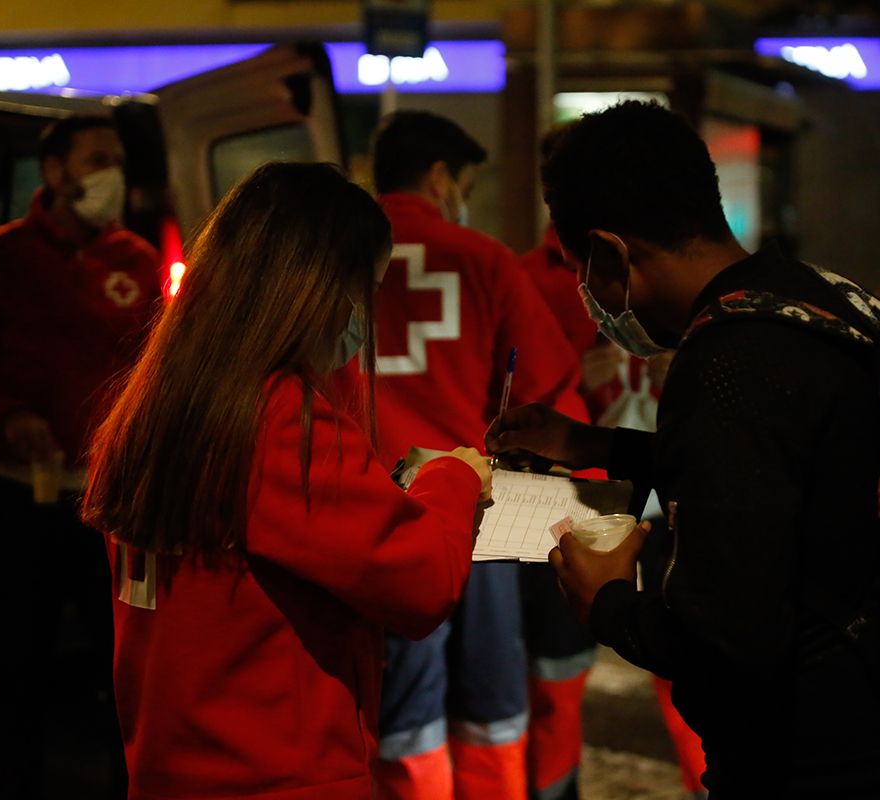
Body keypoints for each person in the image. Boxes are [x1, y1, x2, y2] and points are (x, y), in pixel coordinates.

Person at [487, 101, 880, 798]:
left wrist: (606, 606)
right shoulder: (803, 297)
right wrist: (587, 443)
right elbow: (776, 474)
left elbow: (728, 641)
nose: (587, 296)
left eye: (580, 271)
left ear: (611, 252)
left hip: (815, 760)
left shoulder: (724, 362)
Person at [81, 161, 492, 799]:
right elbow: (419, 584)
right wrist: (453, 478)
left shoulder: (163, 396)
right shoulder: (276, 419)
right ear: (314, 287)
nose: (363, 317)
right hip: (277, 773)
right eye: (366, 289)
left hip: (173, 765)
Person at [363, 111, 587, 800]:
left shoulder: (336, 257)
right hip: (477, 512)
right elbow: (548, 393)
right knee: (491, 704)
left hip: (374, 514)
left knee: (404, 710)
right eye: (462, 182)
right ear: (439, 178)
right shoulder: (483, 258)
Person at [0, 113, 161, 799]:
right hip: (16, 497)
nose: (113, 173)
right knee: (21, 668)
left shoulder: (136, 258)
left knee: (121, 669)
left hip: (110, 504)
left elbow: (154, 371)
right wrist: (6, 416)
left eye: (117, 160)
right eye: (97, 159)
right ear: (54, 172)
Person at [522, 220, 708, 800]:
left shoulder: (688, 290)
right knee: (559, 668)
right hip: (580, 493)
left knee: (688, 664)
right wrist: (574, 385)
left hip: (674, 494)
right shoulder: (529, 277)